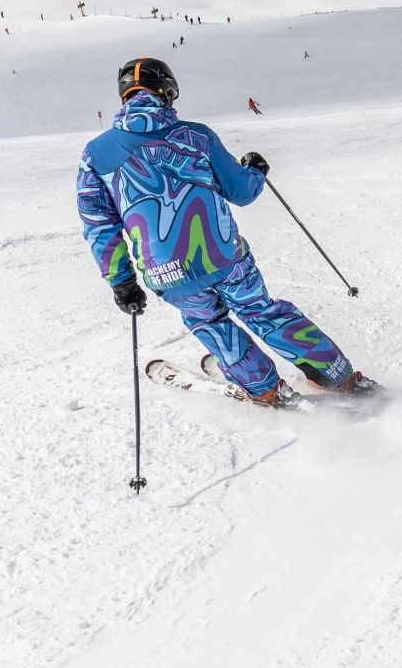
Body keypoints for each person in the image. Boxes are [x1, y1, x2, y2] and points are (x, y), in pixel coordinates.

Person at [76, 57, 376, 406]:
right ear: (167, 91)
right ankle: (337, 376)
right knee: (262, 311)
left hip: (166, 271)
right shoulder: (195, 136)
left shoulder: (96, 153)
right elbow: (241, 191)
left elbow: (98, 222)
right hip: (224, 255)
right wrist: (256, 171)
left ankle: (264, 389)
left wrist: (121, 281)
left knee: (211, 324)